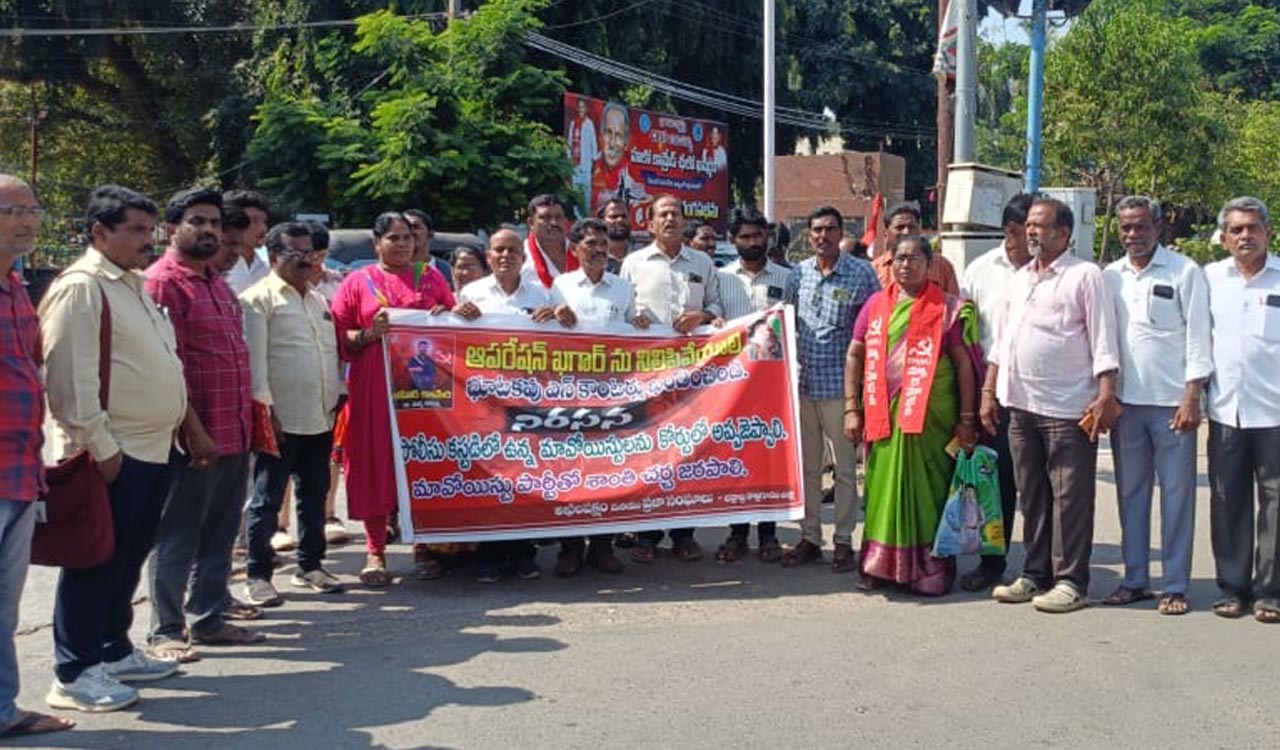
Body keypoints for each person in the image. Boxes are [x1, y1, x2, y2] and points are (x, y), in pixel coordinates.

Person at [40, 184, 189, 710]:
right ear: (99, 232)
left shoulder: (130, 283)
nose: (148, 241)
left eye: (151, 231)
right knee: (94, 560)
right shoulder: (83, 286)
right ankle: (75, 672)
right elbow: (68, 378)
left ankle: (112, 648)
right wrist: (102, 451)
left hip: (152, 448)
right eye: (136, 231)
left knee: (126, 557)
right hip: (113, 453)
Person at [985, 197, 1121, 614]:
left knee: (1070, 496)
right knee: (1034, 495)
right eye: (1029, 225)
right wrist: (990, 391)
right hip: (1020, 405)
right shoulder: (1020, 278)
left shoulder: (1085, 276)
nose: (1031, 233)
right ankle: (1035, 572)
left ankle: (1071, 580)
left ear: (1064, 234)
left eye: (1040, 226)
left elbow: (1103, 339)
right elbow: (1002, 342)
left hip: (1067, 406)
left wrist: (1106, 393)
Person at [144, 188, 261, 660]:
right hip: (192, 436)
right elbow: (165, 366)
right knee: (177, 533)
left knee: (219, 531)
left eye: (214, 222)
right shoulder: (161, 284)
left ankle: (209, 615)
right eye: (198, 221)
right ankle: (165, 628)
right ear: (173, 229)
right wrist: (193, 429)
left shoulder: (215, 282)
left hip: (233, 430)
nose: (209, 230)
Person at [844, 234, 981, 595]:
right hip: (883, 417)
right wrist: (851, 407)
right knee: (880, 489)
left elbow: (964, 365)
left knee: (930, 491)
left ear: (929, 263)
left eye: (914, 258)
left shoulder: (948, 307)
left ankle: (928, 571)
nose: (906, 265)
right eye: (899, 259)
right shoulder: (875, 306)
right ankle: (879, 567)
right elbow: (855, 355)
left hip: (932, 421)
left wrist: (968, 419)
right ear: (890, 263)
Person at [1100, 196, 1211, 616]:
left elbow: (1199, 337)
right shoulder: (1110, 276)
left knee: (1178, 497)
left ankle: (1176, 584)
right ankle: (1134, 579)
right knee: (1130, 495)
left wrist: (1192, 396)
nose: (1132, 235)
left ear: (1158, 227)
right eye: (1126, 227)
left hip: (1172, 407)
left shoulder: (1185, 272)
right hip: (1127, 405)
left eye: (1141, 227)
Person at [331, 212, 455, 586]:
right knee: (374, 463)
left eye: (407, 238)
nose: (402, 245)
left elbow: (455, 328)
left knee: (421, 460)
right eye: (394, 238)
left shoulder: (431, 278)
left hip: (424, 389)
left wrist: (446, 315)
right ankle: (375, 551)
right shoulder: (357, 283)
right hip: (374, 387)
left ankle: (424, 547)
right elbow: (340, 339)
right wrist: (371, 333)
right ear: (377, 243)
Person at [0, 175, 75, 733]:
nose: (27, 220)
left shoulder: (15, 288)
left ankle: (2, 710)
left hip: (20, 467)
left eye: (32, 208)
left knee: (5, 605)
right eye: (11, 210)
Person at [454, 229, 571, 582]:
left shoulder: (543, 294)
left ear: (523, 257)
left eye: (513, 250)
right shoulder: (473, 293)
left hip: (528, 402)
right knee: (489, 478)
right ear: (488, 256)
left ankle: (523, 553)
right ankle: (490, 555)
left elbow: (560, 343)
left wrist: (561, 318)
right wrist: (455, 315)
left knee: (524, 478)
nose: (506, 256)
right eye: (499, 250)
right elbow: (451, 338)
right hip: (484, 403)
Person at [240, 222, 347, 607]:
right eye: (294, 254)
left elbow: (327, 354)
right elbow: (254, 366)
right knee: (267, 499)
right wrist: (266, 414)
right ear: (273, 257)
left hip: (320, 415)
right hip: (280, 420)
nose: (305, 261)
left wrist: (337, 396)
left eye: (310, 254)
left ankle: (311, 565)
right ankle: (258, 574)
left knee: (314, 493)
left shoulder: (318, 300)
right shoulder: (257, 300)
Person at [619, 194, 725, 564]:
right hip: (648, 375)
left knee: (687, 453)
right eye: (662, 214)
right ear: (650, 224)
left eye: (676, 214)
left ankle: (684, 535)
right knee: (650, 455)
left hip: (692, 376)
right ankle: (647, 536)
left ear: (683, 221)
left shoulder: (703, 262)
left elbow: (717, 308)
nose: (670, 219)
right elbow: (620, 314)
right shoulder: (633, 264)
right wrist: (635, 322)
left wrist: (702, 316)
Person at [545, 218, 649, 577]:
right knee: (572, 474)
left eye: (603, 244)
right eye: (591, 244)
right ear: (575, 249)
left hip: (613, 397)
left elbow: (635, 327)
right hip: (571, 397)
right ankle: (570, 548)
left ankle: (602, 547)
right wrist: (551, 315)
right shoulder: (559, 287)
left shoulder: (621, 288)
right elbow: (540, 333)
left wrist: (641, 325)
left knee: (610, 473)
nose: (600, 250)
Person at [781, 206, 880, 572]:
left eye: (830, 229)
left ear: (841, 233)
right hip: (803, 387)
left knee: (843, 471)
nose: (823, 236)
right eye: (817, 230)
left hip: (841, 388)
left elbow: (874, 328)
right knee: (807, 468)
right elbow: (784, 324)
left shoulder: (861, 274)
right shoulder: (798, 274)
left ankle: (842, 540)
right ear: (808, 235)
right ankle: (809, 536)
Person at [1204, 196, 1280, 624]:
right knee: (1227, 500)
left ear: (1268, 232)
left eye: (1252, 228)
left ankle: (1270, 592)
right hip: (1226, 410)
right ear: (1225, 238)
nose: (1245, 236)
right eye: (1236, 230)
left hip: (1275, 413)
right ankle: (1232, 588)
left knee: (1276, 504)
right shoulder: (1210, 278)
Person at [956, 193, 1034, 592]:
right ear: (1010, 230)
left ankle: (1043, 566)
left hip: (1043, 391)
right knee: (996, 480)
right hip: (993, 392)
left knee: (1040, 482)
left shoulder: (1054, 270)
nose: (1035, 237)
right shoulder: (980, 271)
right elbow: (966, 337)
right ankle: (992, 562)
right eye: (1029, 229)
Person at [713, 206, 791, 563]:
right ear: (732, 240)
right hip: (733, 388)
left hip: (775, 385)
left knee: (772, 458)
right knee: (737, 458)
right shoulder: (721, 279)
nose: (752, 243)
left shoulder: (788, 277)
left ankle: (770, 535)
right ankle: (736, 533)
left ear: (768, 237)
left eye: (758, 236)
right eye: (744, 237)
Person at [870, 202, 959, 294]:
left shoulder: (941, 265)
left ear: (919, 231)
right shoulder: (874, 270)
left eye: (911, 227)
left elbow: (954, 304)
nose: (906, 232)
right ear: (886, 234)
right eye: (900, 227)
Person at [592, 102, 645, 208]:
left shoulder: (633, 179)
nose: (612, 143)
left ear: (626, 143)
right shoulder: (588, 170)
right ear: (601, 137)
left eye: (619, 135)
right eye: (608, 132)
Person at [522, 194, 577, 289]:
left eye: (558, 217)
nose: (554, 223)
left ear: (565, 220)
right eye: (546, 218)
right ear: (531, 223)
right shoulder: (519, 256)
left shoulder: (581, 251)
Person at [221, 190, 270, 294]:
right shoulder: (217, 265)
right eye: (254, 221)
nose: (263, 228)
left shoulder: (270, 264)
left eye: (264, 222)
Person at [404, 209, 454, 289]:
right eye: (406, 227)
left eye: (416, 227)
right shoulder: (387, 270)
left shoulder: (448, 271)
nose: (411, 232)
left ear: (431, 233)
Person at [568, 97, 599, 210]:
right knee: (576, 190)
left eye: (583, 107)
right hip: (575, 163)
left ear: (586, 109)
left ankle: (586, 213)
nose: (581, 109)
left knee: (586, 191)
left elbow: (593, 142)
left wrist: (594, 158)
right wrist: (568, 158)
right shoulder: (573, 123)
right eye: (579, 107)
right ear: (577, 109)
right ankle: (576, 215)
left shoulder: (589, 124)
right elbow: (570, 142)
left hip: (586, 162)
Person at [598, 197, 632, 273]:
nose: (620, 220)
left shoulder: (642, 256)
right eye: (614, 217)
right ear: (602, 221)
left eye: (624, 216)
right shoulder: (594, 257)